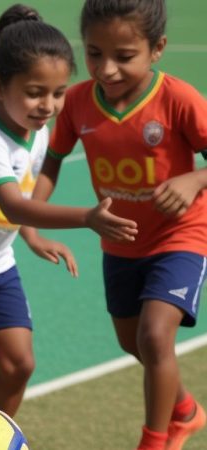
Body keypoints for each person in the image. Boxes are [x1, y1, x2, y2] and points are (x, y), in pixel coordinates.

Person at [0, 4, 138, 418]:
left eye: (58, 94)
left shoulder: (36, 133)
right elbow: (14, 203)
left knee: (20, 365)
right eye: (35, 92)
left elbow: (23, 200)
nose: (48, 105)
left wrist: (33, 236)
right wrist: (86, 218)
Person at [39, 0, 207, 448]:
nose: (106, 69)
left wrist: (194, 178)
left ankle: (155, 439)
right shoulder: (77, 102)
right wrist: (28, 218)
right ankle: (186, 410)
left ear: (157, 49)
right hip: (120, 244)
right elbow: (50, 163)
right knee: (134, 342)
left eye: (124, 56)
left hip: (181, 236)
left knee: (155, 336)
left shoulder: (178, 99)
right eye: (95, 53)